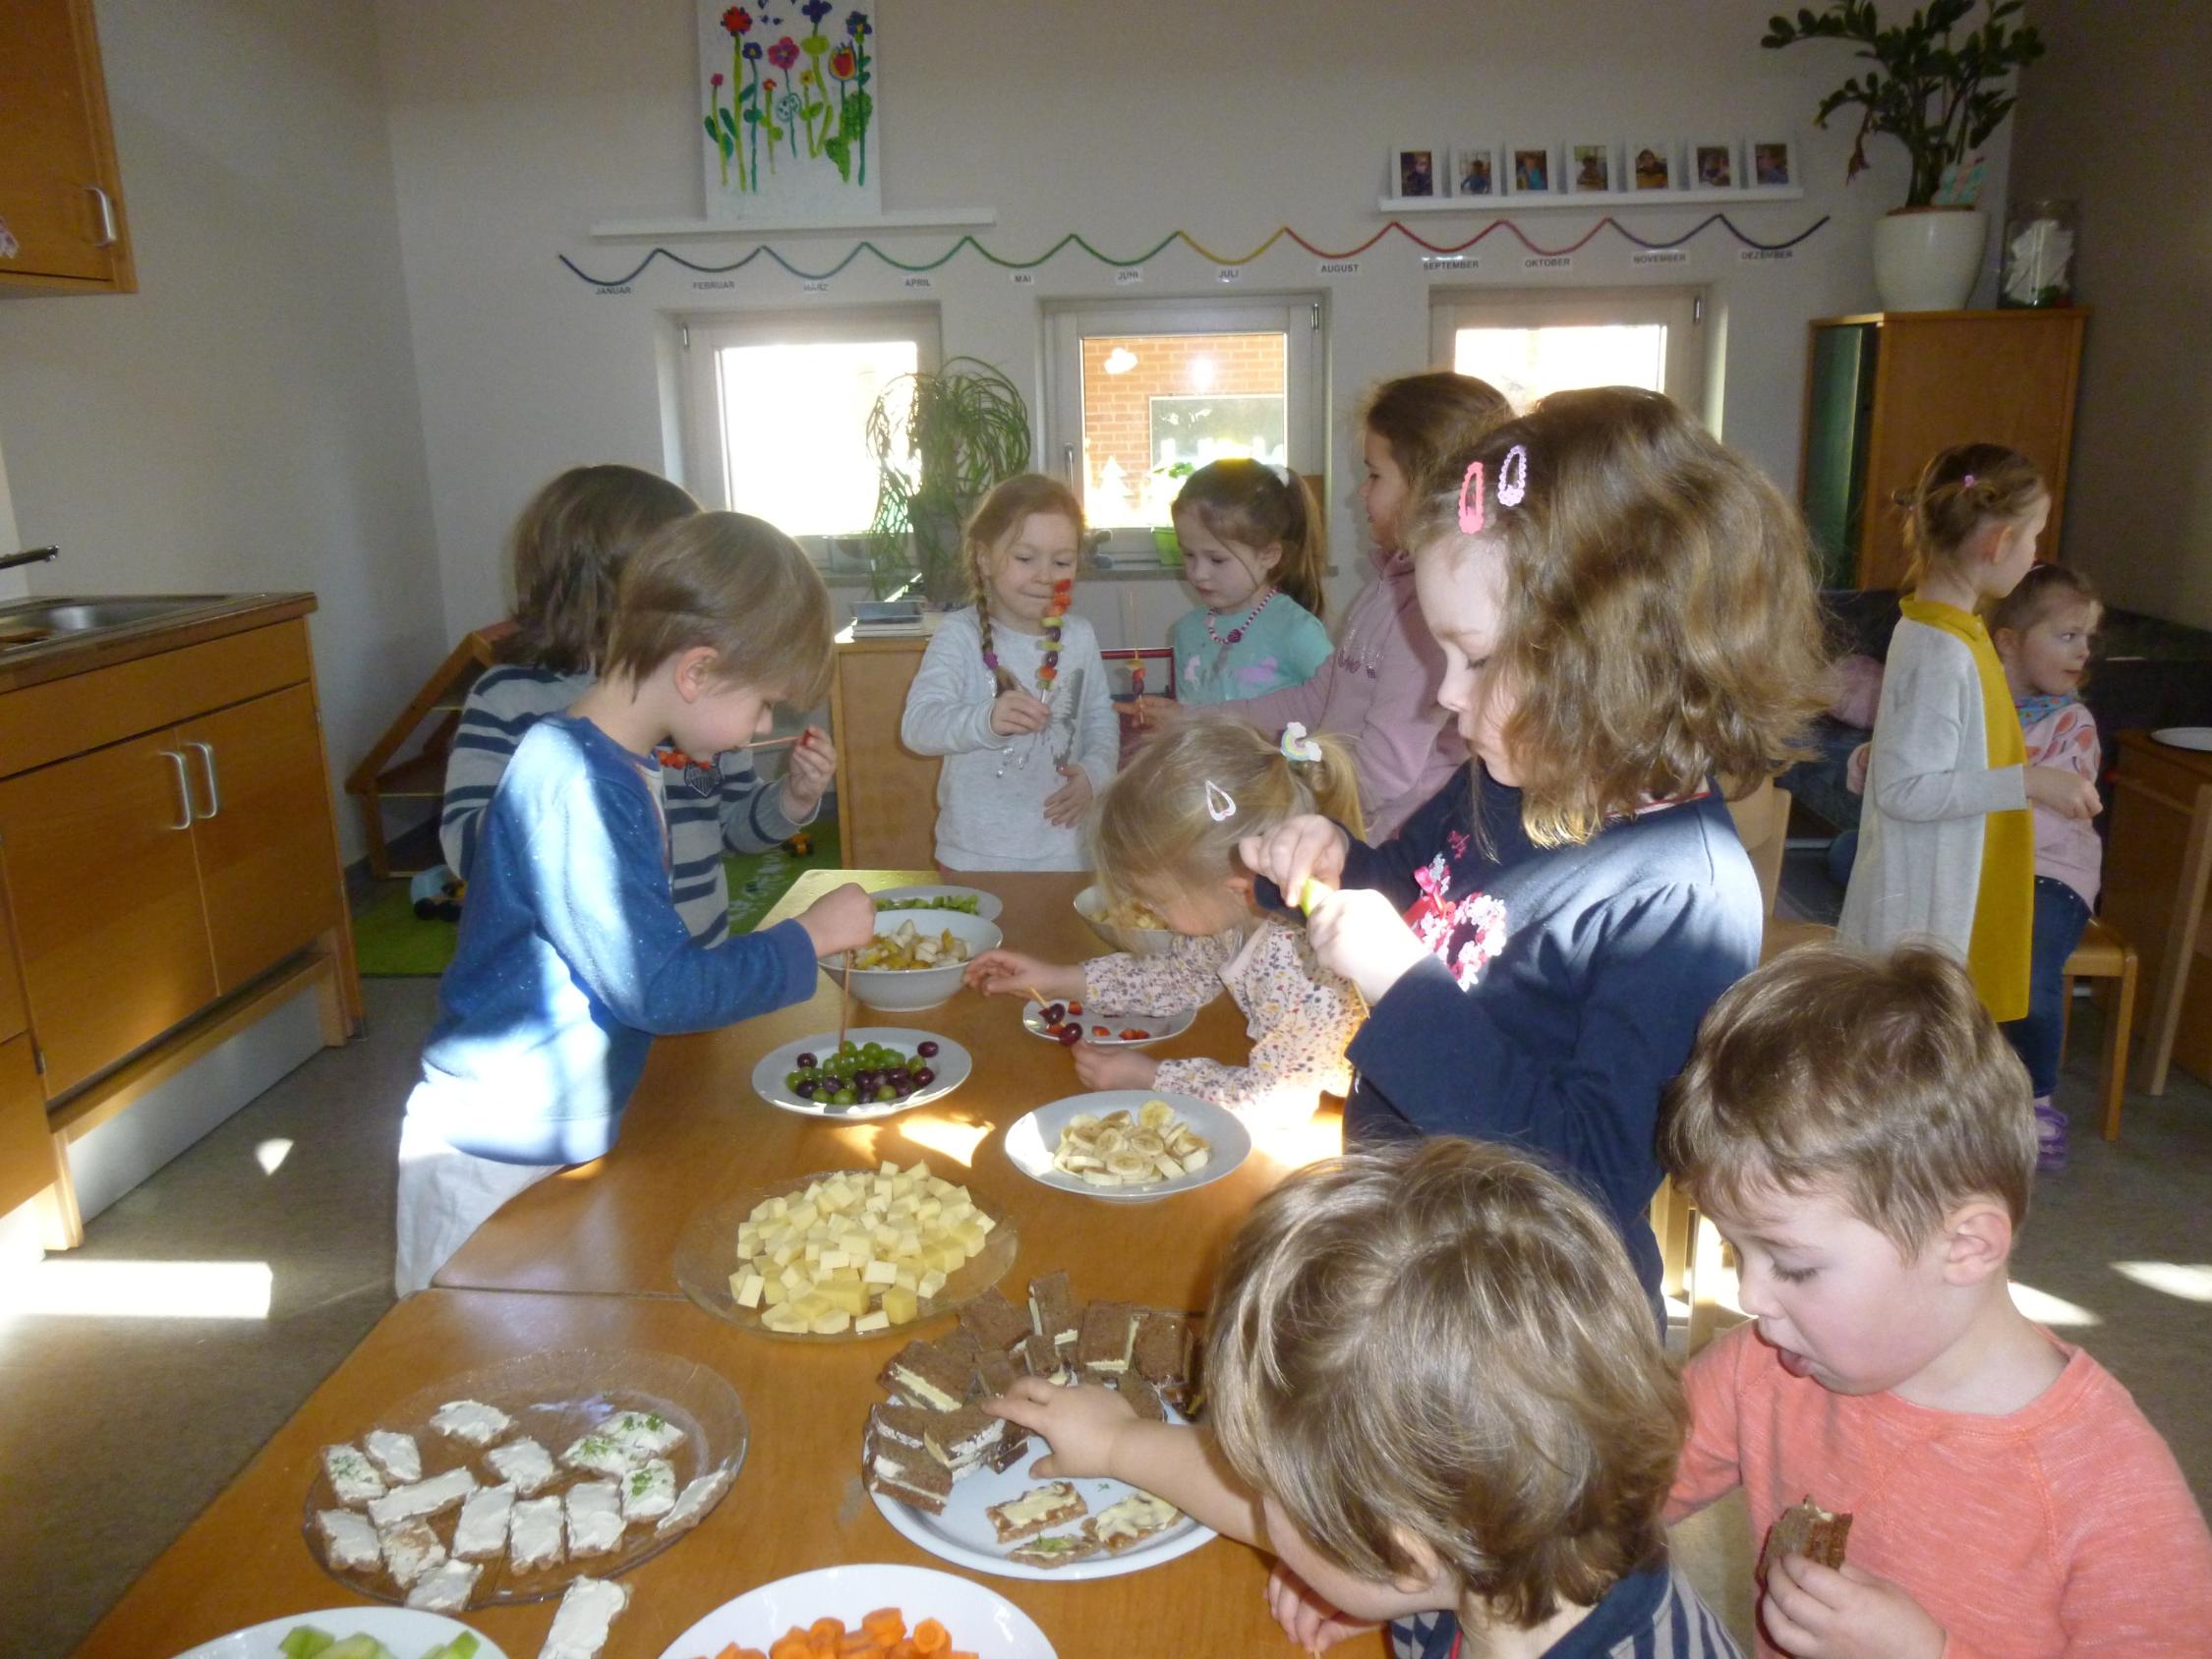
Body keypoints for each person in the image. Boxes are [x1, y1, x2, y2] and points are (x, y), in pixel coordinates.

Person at [1239, 387, 1828, 1307]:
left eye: (1474, 658)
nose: (1444, 694)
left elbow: (1591, 1177)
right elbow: (1404, 888)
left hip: (1523, 1316)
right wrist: (1327, 865)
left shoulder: (1682, 896)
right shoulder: (1504, 779)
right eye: (1440, 655)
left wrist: (1404, 983)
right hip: (1415, 1247)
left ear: (1608, 663)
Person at [1661, 942, 2212, 1657]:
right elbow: (1618, 1490)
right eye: (1739, 1252)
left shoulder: (2111, 1497)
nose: (1750, 1295)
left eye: (1792, 1266)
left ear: (1966, 1247)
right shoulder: (1762, 1371)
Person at [988, 1138, 1742, 1659]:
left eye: (1272, 1490)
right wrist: (1119, 1444)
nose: (1252, 1499)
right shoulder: (1513, 1542)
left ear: (1397, 1553)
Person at [394, 512, 875, 1294]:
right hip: (499, 1148)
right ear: (697, 672)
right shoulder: (577, 783)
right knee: (482, 1372)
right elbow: (661, 988)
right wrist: (806, 938)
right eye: (764, 705)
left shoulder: (615, 762)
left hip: (552, 1126)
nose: (762, 727)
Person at [439, 464, 836, 945]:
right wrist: (561, 791)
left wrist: (793, 798)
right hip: (579, 991)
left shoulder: (704, 704)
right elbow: (465, 850)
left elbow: (733, 828)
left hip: (693, 970)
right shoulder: (508, 698)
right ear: (620, 587)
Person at [1132, 372, 1511, 840]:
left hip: (1384, 850)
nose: (1361, 493)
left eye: (1374, 475)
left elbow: (1384, 771)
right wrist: (1195, 719)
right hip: (1340, 826)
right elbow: (1315, 698)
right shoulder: (1386, 590)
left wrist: (1274, 794)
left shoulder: (1425, 612)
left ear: (1429, 484)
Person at [961, 715, 1364, 1133]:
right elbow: (1178, 977)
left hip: (1363, 1122)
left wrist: (1150, 1078)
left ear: (1235, 886)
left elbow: (1275, 1104)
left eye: (1157, 901)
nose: (1149, 911)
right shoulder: (1236, 914)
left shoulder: (1294, 960)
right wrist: (1059, 979)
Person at [1838, 444, 2100, 1022]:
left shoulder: (1956, 632)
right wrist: (2031, 782)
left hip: (1945, 894)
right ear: (1997, 543)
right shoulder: (1940, 647)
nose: (2035, 554)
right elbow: (1909, 791)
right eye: (2034, 537)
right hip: (1927, 913)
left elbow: (1941, 750)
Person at [900, 474, 1118, 871]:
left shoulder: (1080, 636)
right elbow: (918, 728)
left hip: (1067, 853)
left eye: (1062, 561)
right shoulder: (959, 635)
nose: (1045, 575)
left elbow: (1100, 722)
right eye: (1025, 558)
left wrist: (1093, 775)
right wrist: (987, 720)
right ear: (984, 558)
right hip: (975, 856)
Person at [1988, 564, 2104, 1169]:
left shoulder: (2071, 723)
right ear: (2009, 640)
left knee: (2031, 972)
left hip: (2051, 871)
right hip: (1984, 863)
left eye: (2087, 638)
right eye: (2066, 635)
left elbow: (2052, 806)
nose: (2083, 650)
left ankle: (2036, 1097)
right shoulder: (1977, 701)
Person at [1160, 458, 1332, 707]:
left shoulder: (1296, 631)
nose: (1198, 573)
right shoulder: (1185, 631)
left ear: (1268, 555)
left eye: (1217, 560)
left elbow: (1339, 706)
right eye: (1188, 555)